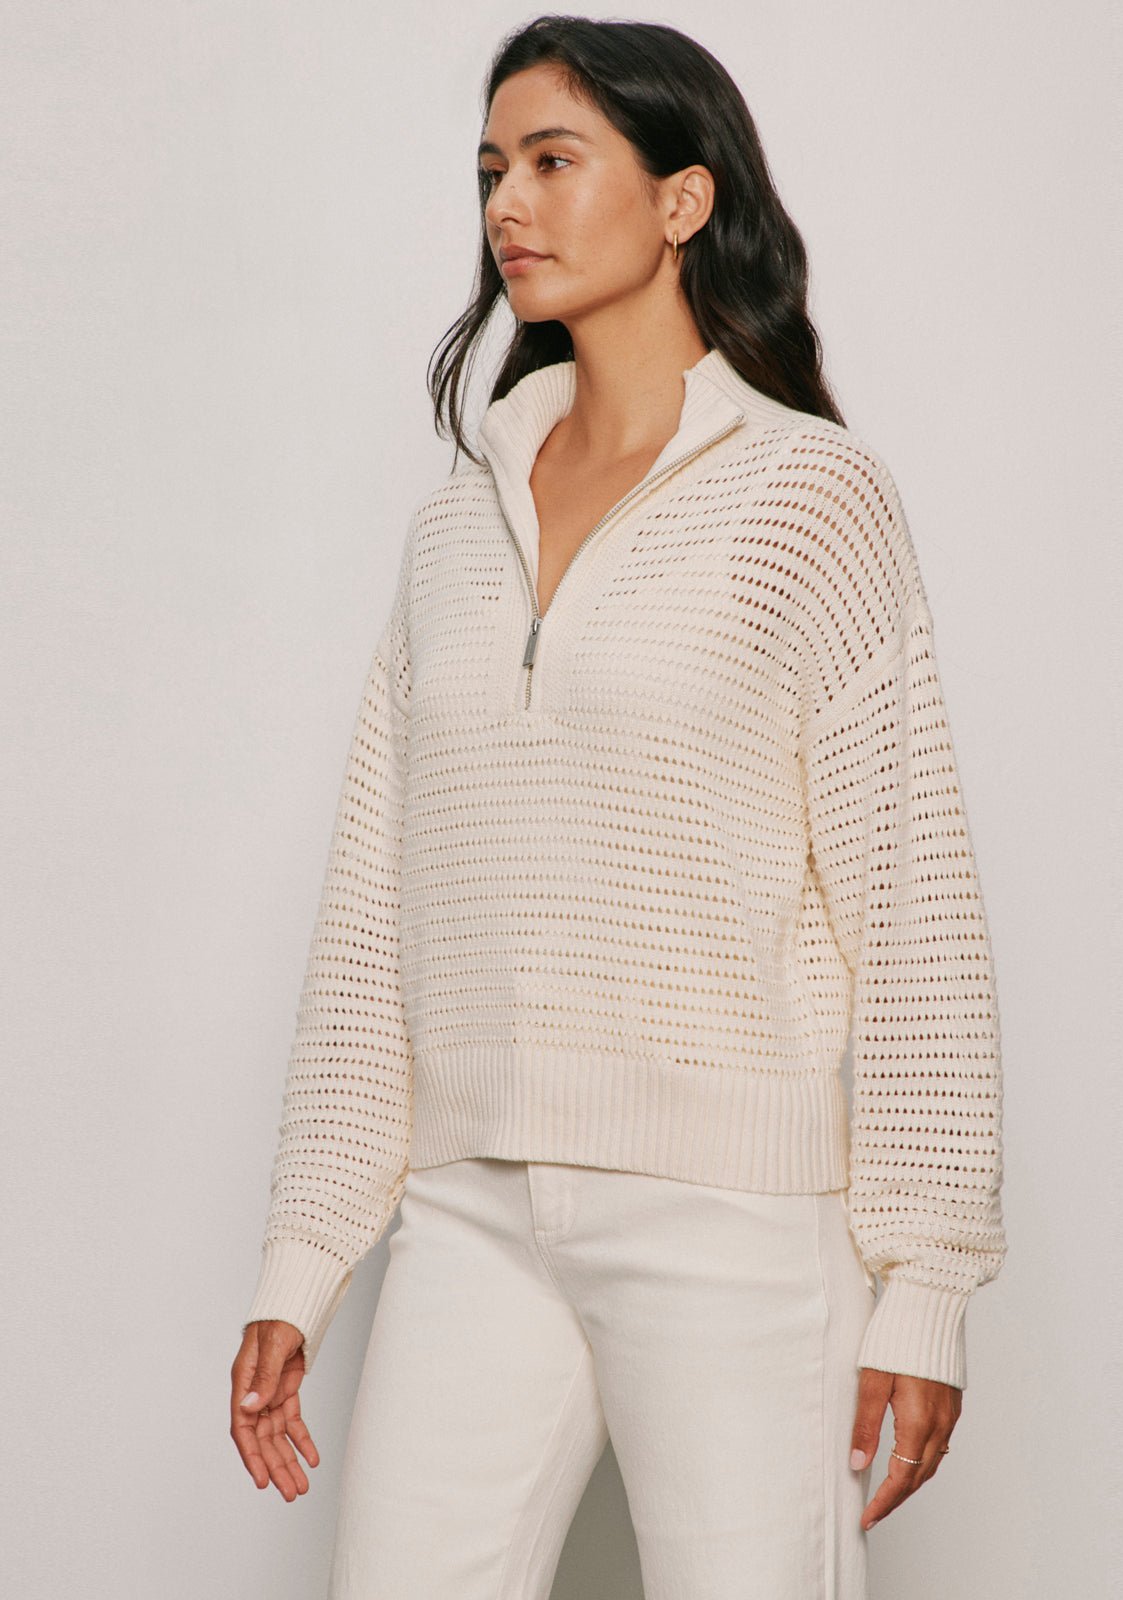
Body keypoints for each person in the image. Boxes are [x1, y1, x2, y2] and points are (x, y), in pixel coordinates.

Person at [230, 16, 1008, 1598]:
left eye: (552, 160)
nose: (507, 205)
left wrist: (926, 1279)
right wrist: (303, 1259)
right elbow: (375, 913)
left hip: (734, 1224)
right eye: (490, 170)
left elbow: (913, 900)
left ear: (681, 199)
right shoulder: (453, 532)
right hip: (469, 1214)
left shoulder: (810, 498)